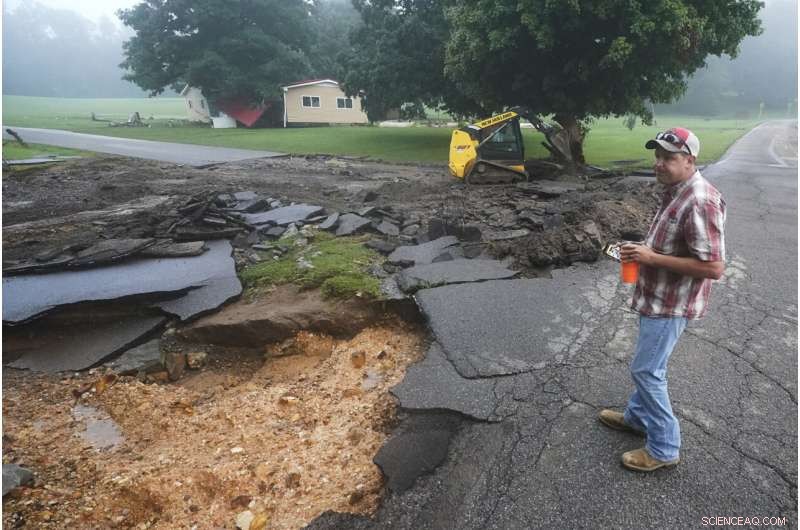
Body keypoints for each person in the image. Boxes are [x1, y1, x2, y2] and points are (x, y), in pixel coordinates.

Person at [599, 127, 726, 472]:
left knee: (646, 370)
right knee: (650, 366)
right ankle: (637, 418)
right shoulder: (674, 191)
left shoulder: (699, 200)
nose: (659, 163)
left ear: (690, 160)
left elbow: (714, 267)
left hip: (671, 305)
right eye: (657, 156)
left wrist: (651, 259)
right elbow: (675, 244)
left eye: (669, 157)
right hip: (655, 298)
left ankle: (665, 447)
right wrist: (642, 251)